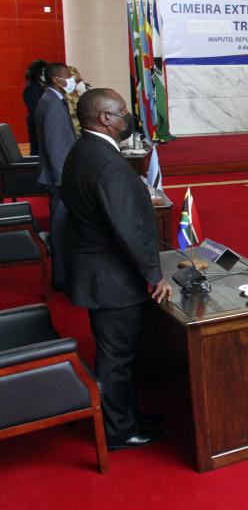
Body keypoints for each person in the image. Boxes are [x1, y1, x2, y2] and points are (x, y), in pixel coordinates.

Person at [60, 88, 173, 451]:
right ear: (105, 118)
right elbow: (128, 228)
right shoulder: (107, 163)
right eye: (122, 112)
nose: (127, 118)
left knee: (117, 353)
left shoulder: (83, 151)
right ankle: (118, 431)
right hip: (110, 278)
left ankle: (128, 415)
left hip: (96, 270)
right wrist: (154, 274)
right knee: (116, 358)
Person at [35, 62, 79, 290]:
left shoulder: (54, 100)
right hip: (60, 179)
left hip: (62, 175)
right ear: (56, 80)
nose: (71, 80)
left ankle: (65, 273)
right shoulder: (51, 103)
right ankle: (61, 278)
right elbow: (55, 147)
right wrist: (64, 181)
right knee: (61, 228)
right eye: (68, 76)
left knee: (65, 227)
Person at [22, 59, 47, 155]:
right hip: (37, 124)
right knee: (37, 151)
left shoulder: (42, 86)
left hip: (39, 123)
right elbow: (34, 108)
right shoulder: (32, 88)